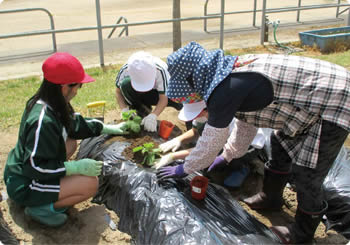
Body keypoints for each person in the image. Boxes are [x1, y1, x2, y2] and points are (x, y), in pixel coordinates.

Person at [157, 41, 350, 244]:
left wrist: (184, 169)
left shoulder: (225, 89)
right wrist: (228, 155)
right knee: (278, 142)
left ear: (194, 79)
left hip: (334, 100)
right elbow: (247, 123)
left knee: (308, 175)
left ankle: (301, 235)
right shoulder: (226, 73)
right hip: (309, 101)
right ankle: (271, 198)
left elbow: (212, 141)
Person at [4, 52, 129, 227]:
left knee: (70, 143)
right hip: (25, 183)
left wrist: (107, 128)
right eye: (78, 86)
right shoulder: (42, 121)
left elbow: (74, 124)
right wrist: (74, 167)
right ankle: (40, 208)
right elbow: (34, 167)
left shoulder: (51, 102)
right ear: (64, 87)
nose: (78, 91)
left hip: (29, 172)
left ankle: (51, 191)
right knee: (90, 184)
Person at [115, 51, 183, 132]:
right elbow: (118, 92)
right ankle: (142, 110)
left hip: (161, 93)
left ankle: (189, 117)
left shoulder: (160, 70)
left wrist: (153, 116)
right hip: (143, 95)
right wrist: (124, 110)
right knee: (125, 84)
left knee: (180, 101)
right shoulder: (126, 69)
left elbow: (164, 98)